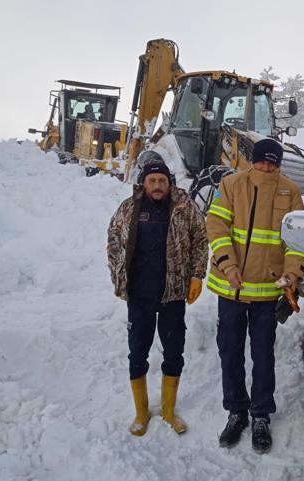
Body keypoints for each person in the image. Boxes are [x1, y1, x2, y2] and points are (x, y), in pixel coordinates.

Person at [205, 138, 304, 453]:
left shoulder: (291, 192)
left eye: (272, 162)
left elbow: (297, 241)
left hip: (267, 292)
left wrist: (292, 275)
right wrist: (228, 265)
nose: (266, 167)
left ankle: (260, 415)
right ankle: (236, 412)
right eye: (262, 161)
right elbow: (216, 226)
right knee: (230, 352)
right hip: (231, 289)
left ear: (279, 163)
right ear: (253, 160)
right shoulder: (231, 183)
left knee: (263, 356)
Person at [107, 160, 208, 436]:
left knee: (174, 352)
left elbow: (201, 238)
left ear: (169, 183)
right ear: (144, 183)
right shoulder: (130, 208)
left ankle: (168, 410)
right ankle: (141, 412)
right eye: (152, 181)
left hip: (173, 294)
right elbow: (114, 238)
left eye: (162, 181)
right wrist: (119, 273)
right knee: (137, 352)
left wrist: (198, 275)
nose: (157, 186)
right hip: (139, 295)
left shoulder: (184, 207)